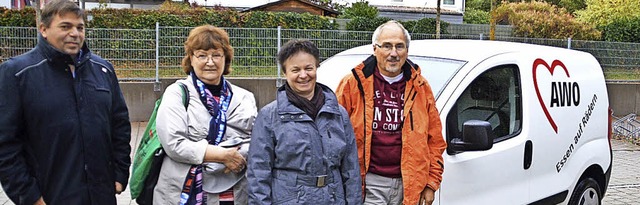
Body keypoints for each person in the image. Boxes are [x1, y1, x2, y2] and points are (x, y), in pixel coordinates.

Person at [0, 0, 132, 204]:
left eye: (80, 27)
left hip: (101, 194)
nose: (75, 33)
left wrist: (120, 172)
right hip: (50, 196)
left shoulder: (103, 69)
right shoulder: (17, 73)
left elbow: (120, 125)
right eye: (65, 26)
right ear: (43, 29)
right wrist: (28, 196)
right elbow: (6, 144)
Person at [335, 20, 447, 205]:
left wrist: (431, 183)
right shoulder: (352, 84)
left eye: (399, 46)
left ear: (407, 51)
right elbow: (334, 135)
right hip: (368, 184)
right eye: (387, 46)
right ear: (375, 49)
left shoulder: (421, 87)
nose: (393, 53)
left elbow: (435, 141)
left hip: (411, 185)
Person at [247, 39, 362, 204]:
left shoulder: (338, 114)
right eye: (295, 70)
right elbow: (258, 172)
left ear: (317, 67)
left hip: (333, 198)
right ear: (285, 72)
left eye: (309, 68)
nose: (303, 75)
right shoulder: (269, 116)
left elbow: (351, 169)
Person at [153, 25, 257, 205]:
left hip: (235, 193)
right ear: (191, 59)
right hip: (185, 189)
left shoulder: (245, 97)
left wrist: (244, 152)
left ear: (226, 59)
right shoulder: (177, 93)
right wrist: (222, 156)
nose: (210, 62)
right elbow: (173, 143)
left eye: (216, 55)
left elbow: (257, 139)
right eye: (202, 55)